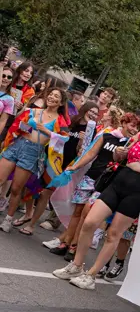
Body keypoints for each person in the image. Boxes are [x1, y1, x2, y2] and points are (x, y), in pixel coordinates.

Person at [53, 109, 140, 289]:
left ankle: (91, 275)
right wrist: (119, 152)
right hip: (119, 180)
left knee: (113, 234)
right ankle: (76, 265)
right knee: (89, 222)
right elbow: (118, 157)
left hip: (138, 190)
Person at [44, 112, 140, 257]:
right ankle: (66, 242)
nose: (134, 129)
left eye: (137, 128)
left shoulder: (133, 147)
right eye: (132, 125)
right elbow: (90, 154)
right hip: (90, 177)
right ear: (123, 123)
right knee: (77, 212)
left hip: (106, 183)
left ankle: (74, 246)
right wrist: (75, 167)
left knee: (87, 214)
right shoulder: (106, 136)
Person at [19, 101, 99, 236]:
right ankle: (28, 213)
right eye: (91, 111)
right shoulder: (70, 121)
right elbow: (56, 135)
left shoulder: (92, 130)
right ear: (85, 109)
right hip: (50, 157)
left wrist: (82, 140)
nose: (92, 114)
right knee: (31, 186)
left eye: (96, 114)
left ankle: (31, 225)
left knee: (45, 194)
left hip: (63, 166)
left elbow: (82, 152)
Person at [0, 86, 69, 233]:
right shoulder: (33, 111)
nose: (52, 97)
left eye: (56, 96)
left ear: (61, 103)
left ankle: (8, 219)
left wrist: (47, 131)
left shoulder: (60, 120)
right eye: (51, 94)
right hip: (17, 145)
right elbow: (18, 125)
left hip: (33, 152)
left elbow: (65, 138)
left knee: (16, 189)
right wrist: (22, 128)